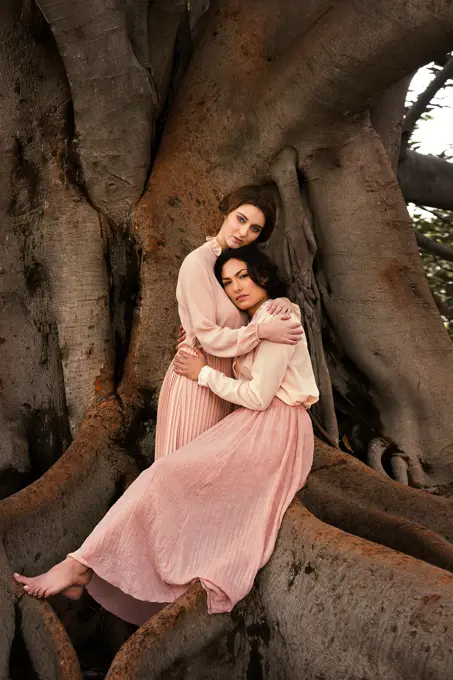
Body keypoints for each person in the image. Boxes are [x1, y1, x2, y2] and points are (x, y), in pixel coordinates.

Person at [14, 246, 318, 626]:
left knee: (164, 476)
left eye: (243, 276)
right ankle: (81, 566)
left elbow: (258, 396)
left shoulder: (278, 313)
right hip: (255, 426)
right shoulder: (255, 323)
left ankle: (79, 567)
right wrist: (198, 338)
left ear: (264, 275)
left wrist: (201, 374)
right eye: (227, 282)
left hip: (275, 430)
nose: (236, 287)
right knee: (168, 479)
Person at [155, 183, 303, 458]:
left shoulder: (237, 266)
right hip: (196, 377)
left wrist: (280, 302)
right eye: (241, 219)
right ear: (226, 212)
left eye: (254, 229)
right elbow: (208, 335)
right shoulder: (196, 263)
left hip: (230, 384)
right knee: (189, 471)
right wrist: (260, 332)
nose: (243, 232)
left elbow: (252, 307)